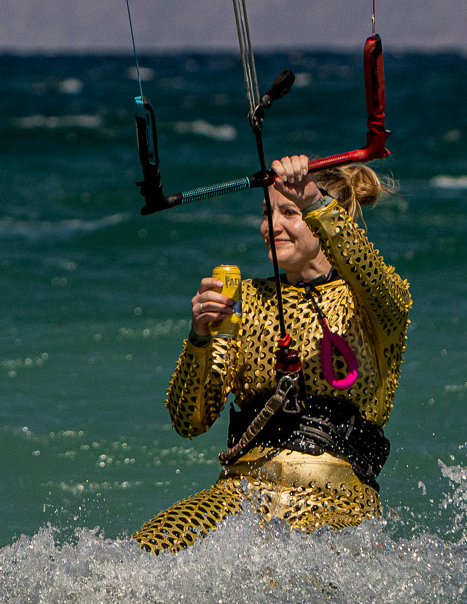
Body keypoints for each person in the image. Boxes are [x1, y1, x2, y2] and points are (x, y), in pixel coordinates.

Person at [132, 153, 411, 553]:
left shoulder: (371, 303)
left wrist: (313, 202)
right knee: (148, 552)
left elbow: (364, 266)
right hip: (239, 494)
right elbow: (188, 421)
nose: (271, 226)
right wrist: (199, 337)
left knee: (289, 578)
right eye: (267, 214)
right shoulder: (246, 298)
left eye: (289, 213)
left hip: (334, 498)